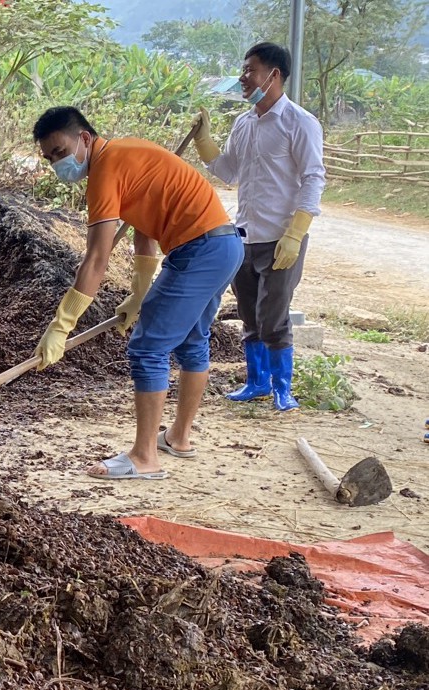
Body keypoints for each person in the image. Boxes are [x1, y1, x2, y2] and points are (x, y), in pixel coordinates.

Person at [31, 106, 242, 480]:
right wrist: (139, 295)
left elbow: (96, 260)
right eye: (50, 158)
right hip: (222, 246)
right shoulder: (125, 156)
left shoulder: (106, 170)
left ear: (84, 138)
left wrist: (61, 325)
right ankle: (178, 437)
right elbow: (145, 234)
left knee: (147, 348)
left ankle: (144, 457)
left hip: (200, 250)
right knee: (192, 340)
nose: (57, 164)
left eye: (60, 152)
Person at [194, 42, 326, 412]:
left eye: (250, 70)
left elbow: (314, 178)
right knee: (250, 315)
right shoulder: (244, 123)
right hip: (246, 237)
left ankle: (284, 388)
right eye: (244, 69)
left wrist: (296, 232)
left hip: (282, 237)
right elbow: (230, 171)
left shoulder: (299, 122)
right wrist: (205, 142)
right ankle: (257, 383)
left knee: (274, 316)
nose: (243, 77)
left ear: (274, 75)